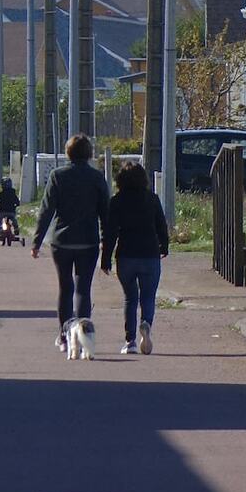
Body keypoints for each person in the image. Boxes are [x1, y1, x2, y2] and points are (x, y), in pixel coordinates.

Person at [31, 133, 109, 352]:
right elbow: (106, 212)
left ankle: (65, 336)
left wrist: (37, 242)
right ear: (89, 154)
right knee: (83, 288)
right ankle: (84, 335)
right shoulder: (96, 178)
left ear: (68, 153)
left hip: (62, 241)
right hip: (88, 241)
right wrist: (107, 241)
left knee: (65, 288)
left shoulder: (58, 176)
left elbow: (46, 210)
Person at [101, 162, 169, 355]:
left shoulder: (116, 201)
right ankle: (146, 323)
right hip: (149, 254)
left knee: (130, 298)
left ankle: (129, 341)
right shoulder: (152, 199)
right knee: (148, 296)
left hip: (126, 255)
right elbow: (161, 225)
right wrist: (164, 246)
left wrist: (106, 259)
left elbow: (110, 232)